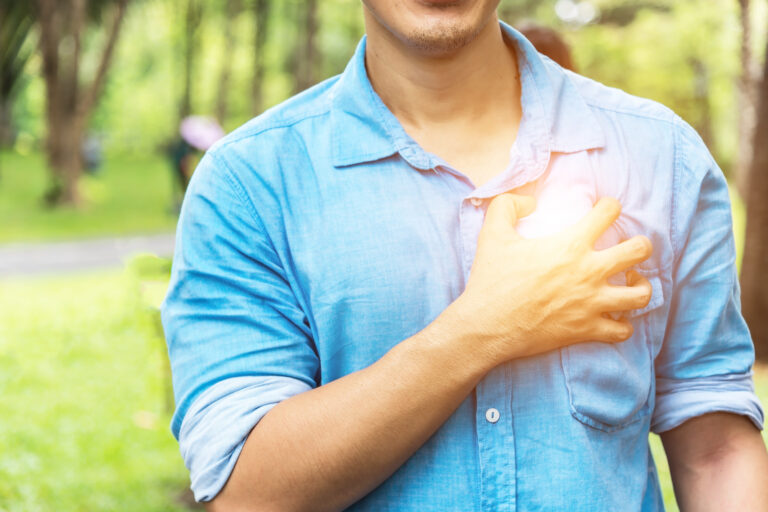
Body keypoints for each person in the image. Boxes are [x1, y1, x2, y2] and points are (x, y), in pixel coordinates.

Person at [161, 1, 768, 510]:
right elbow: (245, 493)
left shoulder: (663, 158)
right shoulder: (248, 185)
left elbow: (715, 449)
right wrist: (485, 328)